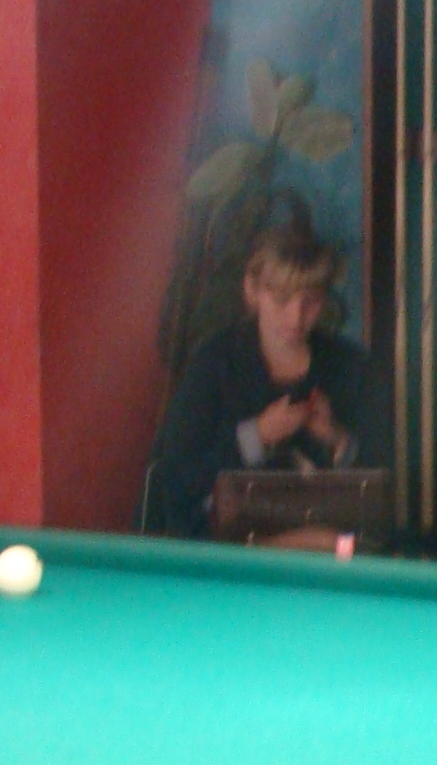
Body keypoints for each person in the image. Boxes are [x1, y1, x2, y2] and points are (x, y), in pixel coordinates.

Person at [149, 222, 368, 536]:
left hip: (325, 542)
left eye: (311, 301)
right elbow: (178, 478)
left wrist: (337, 439)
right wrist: (258, 435)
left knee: (335, 542)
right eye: (281, 300)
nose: (295, 317)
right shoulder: (213, 363)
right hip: (221, 548)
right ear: (252, 291)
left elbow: (382, 488)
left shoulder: (349, 365)